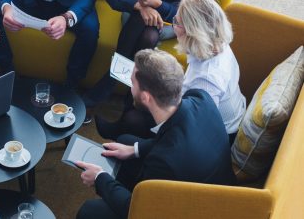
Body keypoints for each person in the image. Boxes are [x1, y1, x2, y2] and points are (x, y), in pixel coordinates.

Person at [75, 49, 236, 219]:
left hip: (198, 209)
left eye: (132, 83)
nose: (130, 88)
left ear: (145, 97)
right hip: (217, 183)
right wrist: (134, 149)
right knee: (126, 141)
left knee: (88, 211)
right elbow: (176, 133)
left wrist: (100, 179)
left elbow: (139, 210)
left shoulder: (164, 162)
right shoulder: (200, 98)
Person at [96, 0, 246, 143]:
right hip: (217, 112)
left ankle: (122, 136)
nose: (173, 27)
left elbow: (192, 127)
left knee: (135, 116)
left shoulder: (206, 80)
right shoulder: (216, 42)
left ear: (193, 32)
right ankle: (121, 128)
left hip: (215, 134)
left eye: (176, 22)